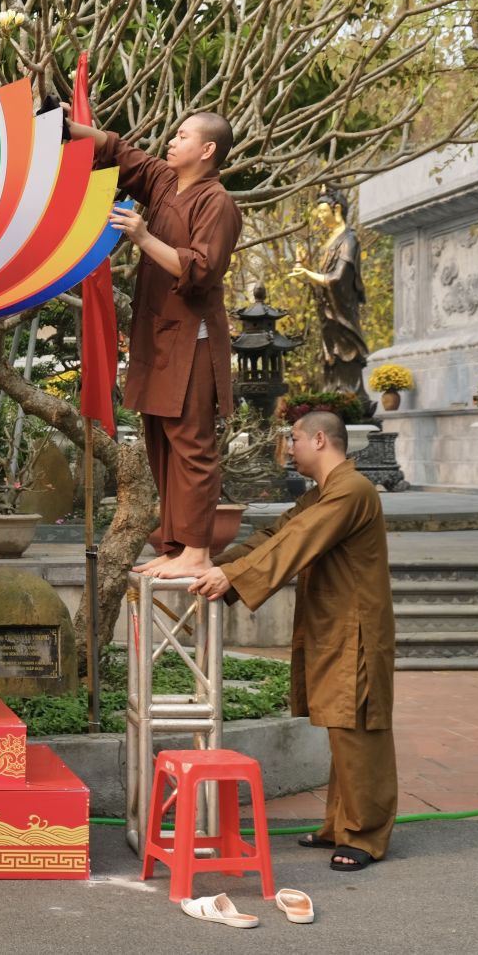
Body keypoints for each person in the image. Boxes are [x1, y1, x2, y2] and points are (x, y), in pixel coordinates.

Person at [187, 410, 396, 871]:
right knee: (342, 727)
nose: (289, 447)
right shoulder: (323, 493)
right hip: (335, 624)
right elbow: (274, 535)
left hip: (357, 628)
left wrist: (232, 577)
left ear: (319, 439)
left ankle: (365, 834)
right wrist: (209, 566)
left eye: (294, 438)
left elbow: (298, 540)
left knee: (358, 729)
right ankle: (340, 825)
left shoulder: (352, 490)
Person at [66, 108, 242, 578]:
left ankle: (197, 551)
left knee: (192, 445)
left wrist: (143, 236)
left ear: (207, 150)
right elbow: (122, 153)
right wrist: (68, 126)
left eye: (183, 136)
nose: (172, 142)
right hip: (158, 337)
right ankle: (174, 544)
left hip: (192, 342)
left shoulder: (217, 203)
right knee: (160, 440)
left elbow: (201, 270)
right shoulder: (166, 182)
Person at [290, 189, 371, 409]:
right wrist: (303, 265)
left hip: (342, 310)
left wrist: (308, 273)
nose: (319, 216)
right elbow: (322, 280)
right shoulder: (329, 241)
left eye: (323, 211)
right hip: (328, 313)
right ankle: (333, 394)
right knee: (330, 356)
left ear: (337, 210)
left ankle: (350, 397)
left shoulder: (349, 240)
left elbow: (336, 278)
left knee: (346, 353)